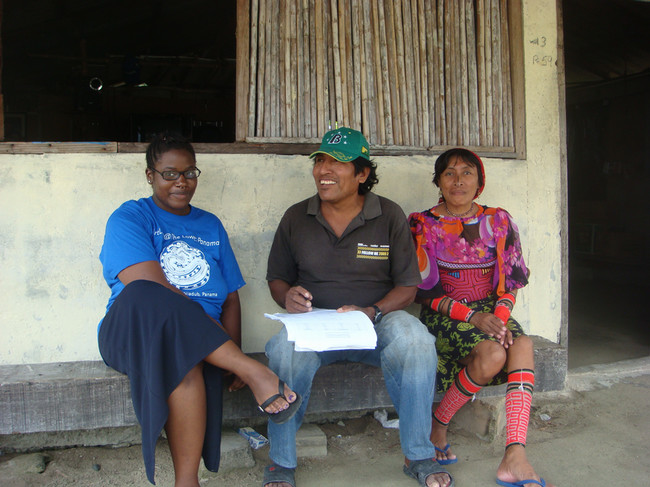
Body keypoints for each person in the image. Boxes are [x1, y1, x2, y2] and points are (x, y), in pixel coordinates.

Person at [98, 132, 301, 487]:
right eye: (169, 173)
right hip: (134, 332)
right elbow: (151, 289)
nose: (181, 182)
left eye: (189, 173)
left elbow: (232, 297)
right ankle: (256, 372)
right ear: (150, 176)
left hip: (203, 342)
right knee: (148, 294)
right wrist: (229, 352)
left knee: (187, 360)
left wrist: (228, 350)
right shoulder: (130, 217)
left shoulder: (210, 224)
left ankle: (186, 481)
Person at [262, 127, 453, 487]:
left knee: (416, 340)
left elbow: (408, 288)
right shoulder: (296, 217)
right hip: (315, 326)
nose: (324, 170)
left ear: (363, 173)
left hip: (374, 322)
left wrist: (373, 312)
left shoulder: (389, 215)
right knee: (281, 350)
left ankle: (419, 456)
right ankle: (281, 462)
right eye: (320, 161)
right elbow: (277, 279)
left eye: (338, 163)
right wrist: (287, 297)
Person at [408, 148, 554, 487]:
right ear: (439, 182)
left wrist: (499, 318)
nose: (458, 180)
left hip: (491, 312)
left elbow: (512, 281)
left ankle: (515, 455)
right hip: (446, 313)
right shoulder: (422, 224)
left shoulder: (499, 221)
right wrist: (473, 317)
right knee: (492, 354)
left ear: (479, 181)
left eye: (467, 172)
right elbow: (422, 292)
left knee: (523, 344)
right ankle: (439, 423)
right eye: (449, 173)